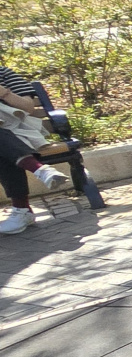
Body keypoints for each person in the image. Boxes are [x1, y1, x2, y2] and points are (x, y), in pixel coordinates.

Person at [0, 66, 71, 235]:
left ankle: (22, 211)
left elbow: (28, 107)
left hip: (16, 130)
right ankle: (40, 171)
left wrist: (3, 93)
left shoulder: (4, 73)